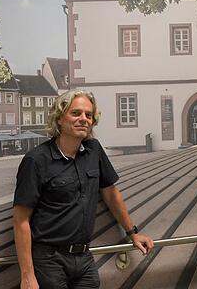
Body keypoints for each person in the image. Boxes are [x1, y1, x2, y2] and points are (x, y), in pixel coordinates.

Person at [13, 89, 154, 289]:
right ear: (59, 118)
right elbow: (21, 220)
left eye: (89, 115)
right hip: (49, 260)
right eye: (76, 113)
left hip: (84, 257)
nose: (83, 119)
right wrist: (27, 276)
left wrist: (133, 233)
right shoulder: (36, 160)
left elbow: (111, 194)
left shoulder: (93, 150)